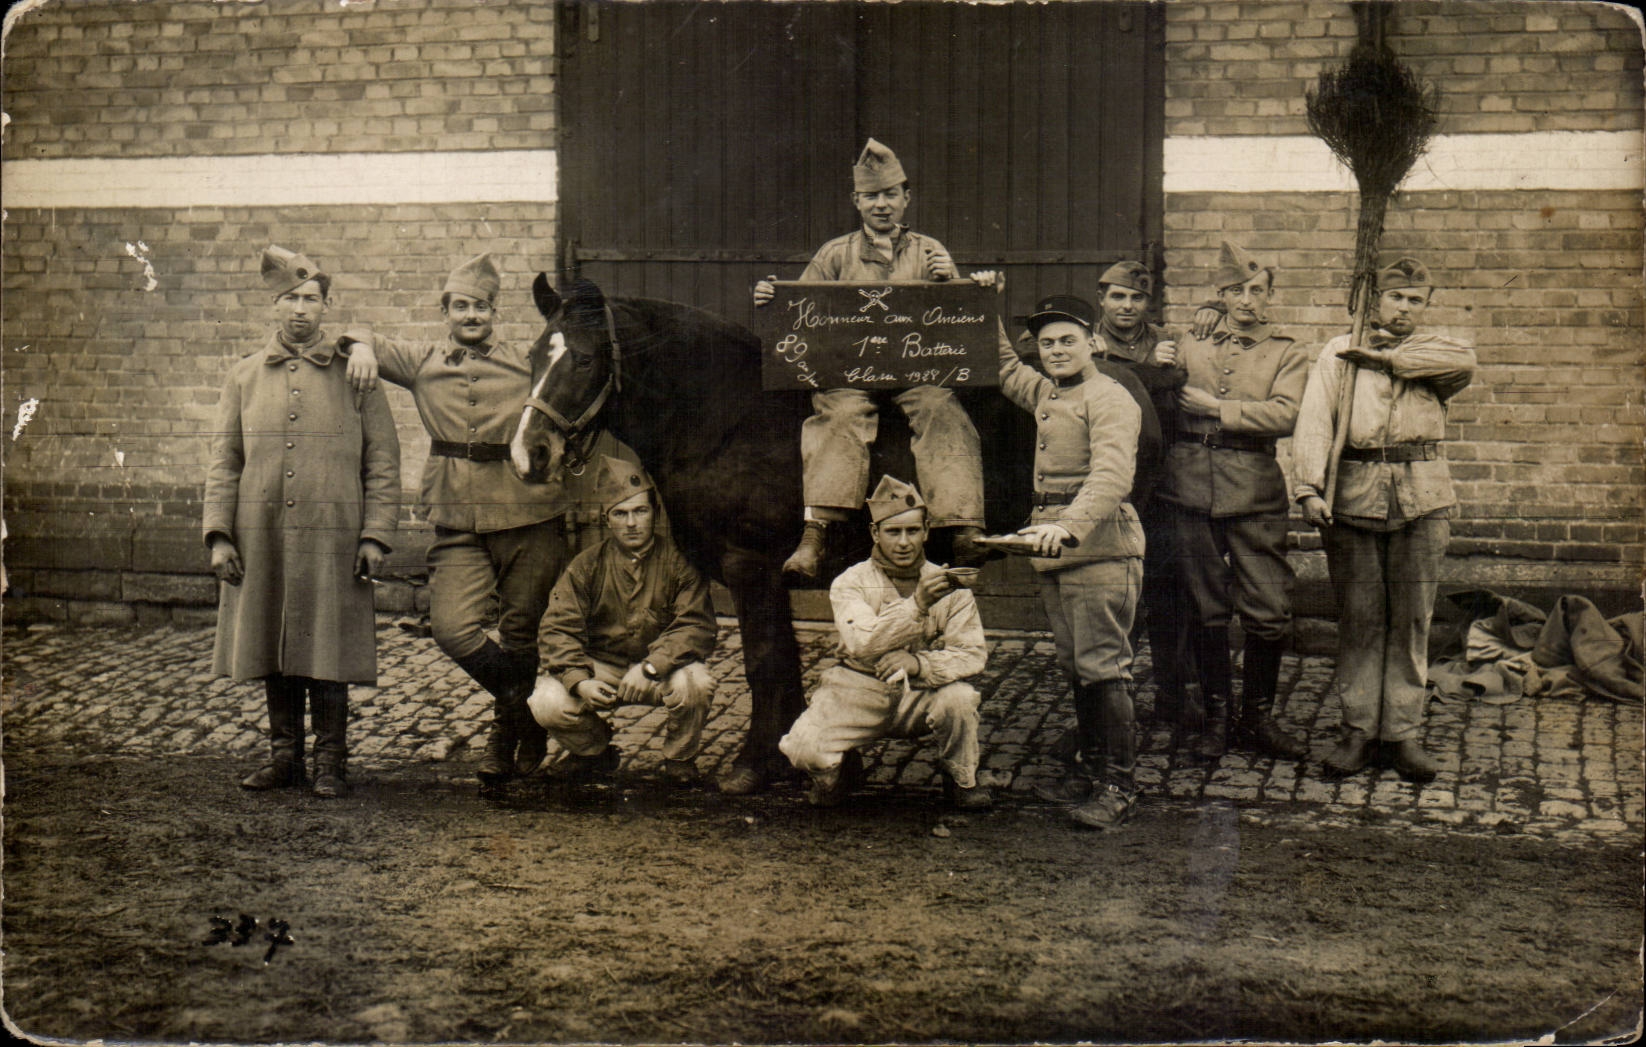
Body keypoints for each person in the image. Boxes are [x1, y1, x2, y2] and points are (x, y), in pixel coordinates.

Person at [340, 254, 574, 793]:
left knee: (521, 631)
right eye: (461, 306)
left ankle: (502, 736)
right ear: (445, 311)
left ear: (496, 311)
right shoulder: (422, 360)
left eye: (482, 306)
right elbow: (352, 331)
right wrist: (362, 347)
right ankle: (522, 711)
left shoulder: (524, 361)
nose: (472, 315)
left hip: (528, 509)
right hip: (455, 515)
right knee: (453, 627)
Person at [204, 245, 400, 799]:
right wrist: (219, 534)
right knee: (272, 639)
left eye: (311, 299)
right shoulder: (244, 376)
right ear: (274, 306)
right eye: (289, 299)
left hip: (334, 535)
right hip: (259, 531)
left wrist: (375, 534)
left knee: (328, 645)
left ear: (325, 306)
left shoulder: (356, 375)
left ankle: (332, 762)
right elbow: (225, 460)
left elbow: (382, 461)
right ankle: (283, 756)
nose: (299, 310)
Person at [752, 138, 987, 580]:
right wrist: (771, 297)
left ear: (906, 199)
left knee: (943, 410)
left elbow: (959, 319)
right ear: (857, 202)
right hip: (851, 376)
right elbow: (798, 311)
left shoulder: (929, 250)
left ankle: (963, 525)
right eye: (872, 196)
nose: (882, 205)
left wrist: (950, 280)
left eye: (891, 195)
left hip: (916, 373)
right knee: (837, 416)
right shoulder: (834, 254)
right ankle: (815, 534)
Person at [1293, 257, 1477, 782]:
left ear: (1425, 307)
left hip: (1423, 497)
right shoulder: (1338, 350)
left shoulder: (1435, 352)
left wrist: (1381, 361)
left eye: (1415, 300)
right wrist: (1308, 488)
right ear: (1377, 299)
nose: (1404, 308)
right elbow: (1315, 419)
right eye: (1396, 297)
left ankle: (1402, 733)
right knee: (1361, 617)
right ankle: (1357, 730)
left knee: (1412, 617)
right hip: (1355, 495)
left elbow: (1465, 365)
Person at [1152, 241, 1311, 763]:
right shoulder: (1190, 342)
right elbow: (1160, 395)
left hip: (1255, 488)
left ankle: (1258, 717)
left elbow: (1286, 415)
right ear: (1220, 295)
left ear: (1269, 297)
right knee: (1205, 606)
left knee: (1269, 609)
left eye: (1257, 291)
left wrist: (1218, 409)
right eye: (1236, 291)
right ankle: (1218, 716)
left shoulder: (1286, 350)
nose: (1247, 300)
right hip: (1190, 487)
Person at [997, 294, 1145, 830]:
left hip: (1099, 546)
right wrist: (986, 300)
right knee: (1077, 666)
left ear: (1093, 344)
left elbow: (1111, 477)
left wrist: (1068, 526)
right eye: (1046, 343)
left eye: (1067, 340)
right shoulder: (1048, 391)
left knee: (1105, 668)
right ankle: (1090, 768)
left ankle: (1119, 786)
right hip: (1056, 548)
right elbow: (1003, 367)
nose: (1056, 350)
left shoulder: (1111, 398)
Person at [778, 475, 992, 808]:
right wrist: (917, 606)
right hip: (860, 690)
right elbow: (862, 642)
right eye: (893, 532)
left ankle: (961, 779)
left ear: (925, 532)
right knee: (804, 747)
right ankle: (841, 771)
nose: (904, 542)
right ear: (875, 534)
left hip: (921, 693)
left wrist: (920, 664)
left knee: (960, 700)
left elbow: (971, 655)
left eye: (912, 531)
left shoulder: (950, 585)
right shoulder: (851, 582)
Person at [528, 456, 719, 781]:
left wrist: (651, 666)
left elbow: (696, 626)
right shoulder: (585, 566)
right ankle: (595, 751)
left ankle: (679, 759)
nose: (631, 523)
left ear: (654, 514)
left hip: (660, 671)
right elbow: (557, 629)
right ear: (607, 519)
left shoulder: (680, 563)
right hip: (601, 669)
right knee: (546, 702)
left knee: (696, 683)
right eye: (620, 513)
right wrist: (579, 678)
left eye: (640, 511)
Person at [1091, 262, 1197, 731]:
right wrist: (1154, 375)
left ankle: (1172, 694)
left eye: (1137, 298)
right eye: (1118, 297)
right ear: (1102, 298)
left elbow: (1183, 378)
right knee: (1117, 598)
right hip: (1113, 486)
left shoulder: (1167, 340)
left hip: (1163, 486)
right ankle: (1116, 701)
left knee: (1169, 590)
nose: (1127, 307)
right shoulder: (1084, 341)